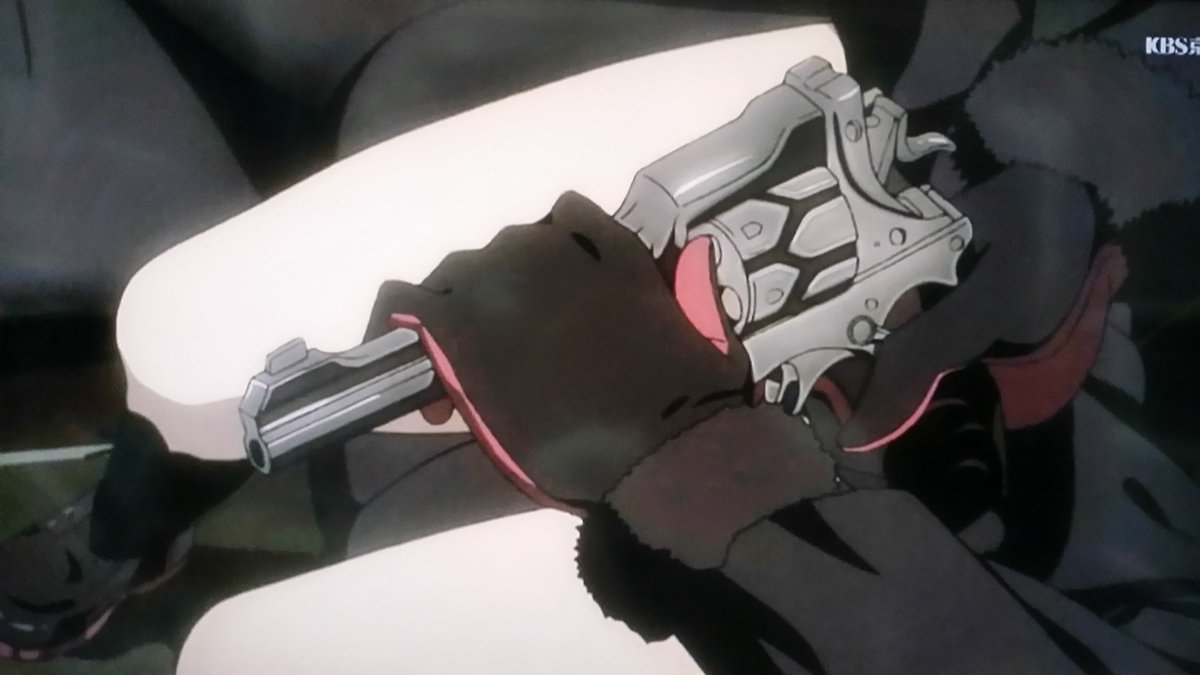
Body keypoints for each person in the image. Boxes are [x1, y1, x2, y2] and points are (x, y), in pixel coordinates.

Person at [4, 2, 1200, 672]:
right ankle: (132, 520)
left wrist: (703, 465)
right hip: (755, 137)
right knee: (202, 335)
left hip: (808, 541)